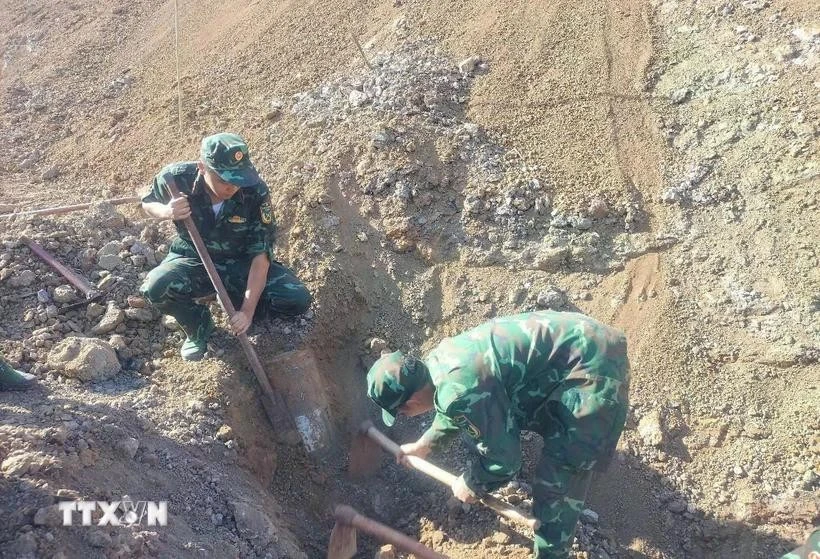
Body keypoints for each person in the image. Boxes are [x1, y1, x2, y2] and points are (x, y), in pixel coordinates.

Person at [366, 310, 630, 559]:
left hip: (592, 372)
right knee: (481, 430)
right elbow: (456, 408)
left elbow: (505, 461)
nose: (405, 416)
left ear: (410, 402)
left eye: (400, 412)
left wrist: (473, 482)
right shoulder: (440, 362)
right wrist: (425, 445)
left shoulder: (459, 391)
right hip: (578, 344)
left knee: (557, 482)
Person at [140, 133, 312, 360]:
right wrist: (166, 211)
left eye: (238, 179)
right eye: (224, 179)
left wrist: (247, 312)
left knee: (296, 299)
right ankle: (199, 328)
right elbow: (147, 202)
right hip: (194, 259)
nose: (232, 186)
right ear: (202, 167)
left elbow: (261, 255)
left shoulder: (255, 191)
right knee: (157, 287)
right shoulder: (176, 178)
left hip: (240, 263)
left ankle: (238, 304)